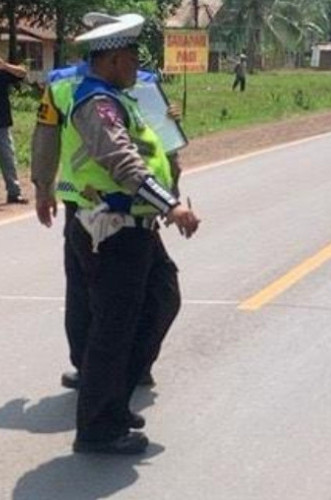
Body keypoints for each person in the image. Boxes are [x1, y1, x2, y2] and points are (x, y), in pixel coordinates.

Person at [64, 13, 199, 454]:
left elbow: (153, 150)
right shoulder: (96, 104)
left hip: (135, 228)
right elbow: (124, 163)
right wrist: (172, 206)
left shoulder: (120, 98)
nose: (136, 64)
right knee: (113, 329)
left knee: (162, 298)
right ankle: (99, 427)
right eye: (133, 57)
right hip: (113, 230)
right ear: (117, 59)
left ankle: (112, 403)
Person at [32, 13, 182, 392]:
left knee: (157, 292)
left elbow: (153, 142)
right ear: (108, 52)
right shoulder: (64, 85)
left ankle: (127, 367)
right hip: (87, 202)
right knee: (87, 296)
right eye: (129, 49)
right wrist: (42, 185)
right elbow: (46, 135)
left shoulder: (142, 81)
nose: (135, 58)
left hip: (139, 202)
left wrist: (168, 189)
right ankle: (92, 371)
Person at [0, 57, 28, 204]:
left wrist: (5, 66)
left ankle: (14, 193)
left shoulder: (2, 72)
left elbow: (23, 73)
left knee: (8, 159)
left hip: (2, 124)